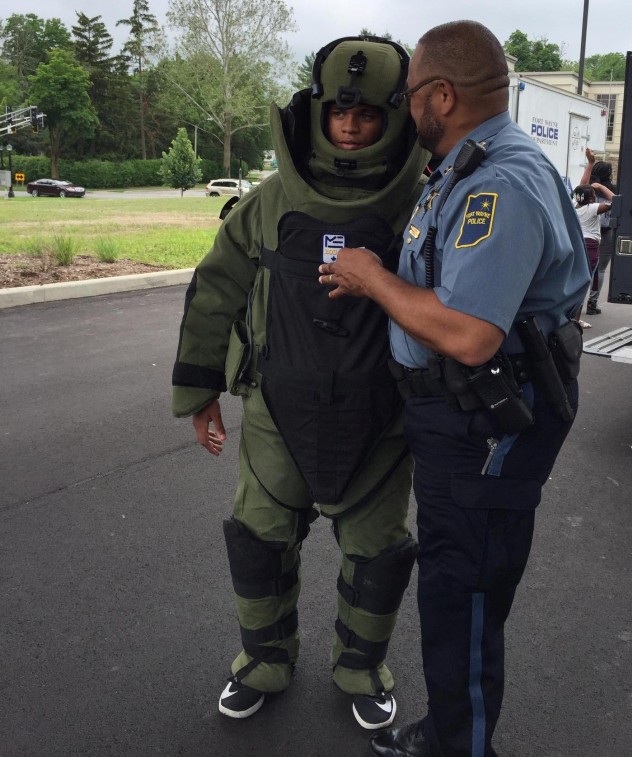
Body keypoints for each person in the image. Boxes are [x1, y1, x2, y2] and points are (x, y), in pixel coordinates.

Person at [318, 21, 590, 757]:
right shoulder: (473, 164)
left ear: (443, 94)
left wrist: (373, 279)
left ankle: (459, 745)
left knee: (461, 596)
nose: (405, 111)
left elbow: (471, 333)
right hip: (462, 418)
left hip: (484, 427)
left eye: (410, 97)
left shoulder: (497, 181)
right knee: (454, 585)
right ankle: (449, 730)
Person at [171, 36, 429, 731]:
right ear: (318, 110)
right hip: (275, 414)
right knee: (258, 542)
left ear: (395, 117)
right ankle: (263, 660)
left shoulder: (426, 198)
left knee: (377, 557)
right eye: (340, 111)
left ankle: (362, 667)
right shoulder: (270, 201)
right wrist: (198, 393)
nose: (350, 125)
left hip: (382, 419)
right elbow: (217, 288)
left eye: (369, 114)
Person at [572, 180, 614, 328]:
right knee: (582, 285)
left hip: (575, 245)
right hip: (589, 247)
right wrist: (601, 186)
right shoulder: (592, 208)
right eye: (594, 195)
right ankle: (575, 322)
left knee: (571, 283)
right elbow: (615, 200)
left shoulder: (573, 206)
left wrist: (590, 165)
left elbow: (581, 186)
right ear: (590, 199)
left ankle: (567, 318)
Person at [582, 148, 618, 315]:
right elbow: (617, 203)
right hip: (606, 232)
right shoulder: (613, 190)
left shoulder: (589, 191)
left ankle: (575, 303)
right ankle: (593, 302)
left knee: (582, 268)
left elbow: (581, 187)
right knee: (601, 269)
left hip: (585, 234)